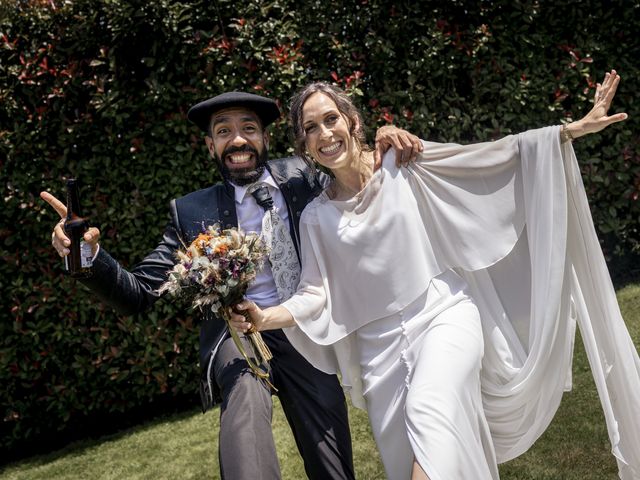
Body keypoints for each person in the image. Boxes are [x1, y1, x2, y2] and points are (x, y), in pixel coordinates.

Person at [231, 71, 640, 480]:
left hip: (444, 317)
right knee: (409, 459)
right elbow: (314, 295)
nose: (325, 133)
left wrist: (570, 130)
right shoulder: (316, 218)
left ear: (353, 121)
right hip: (378, 358)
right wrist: (265, 318)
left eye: (331, 119)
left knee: (431, 413)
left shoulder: (402, 164)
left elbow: (488, 158)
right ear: (304, 146)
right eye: (311, 128)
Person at [41, 91, 422, 480]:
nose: (237, 140)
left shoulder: (306, 178)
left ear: (265, 139)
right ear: (211, 146)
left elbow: (355, 172)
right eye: (224, 131)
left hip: (303, 326)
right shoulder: (190, 211)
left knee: (332, 463)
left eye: (248, 129)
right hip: (237, 335)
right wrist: (87, 254)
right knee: (244, 395)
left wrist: (386, 137)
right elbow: (138, 293)